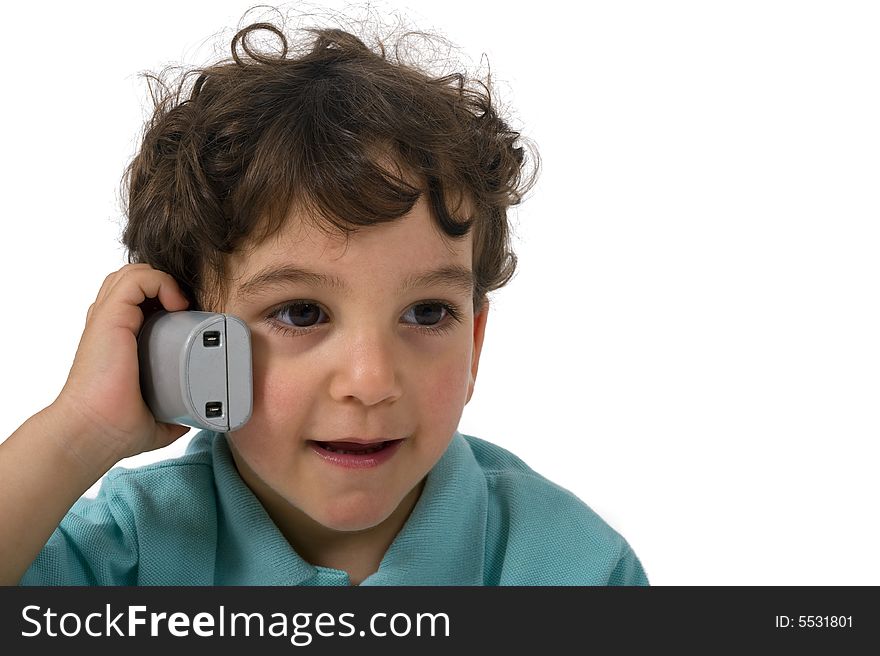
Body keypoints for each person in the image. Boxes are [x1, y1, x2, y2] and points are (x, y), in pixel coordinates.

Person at [0, 13, 648, 586]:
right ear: (184, 344)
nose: (371, 382)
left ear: (474, 341)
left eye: (427, 313)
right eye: (301, 313)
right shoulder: (132, 550)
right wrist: (78, 434)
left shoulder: (574, 568)